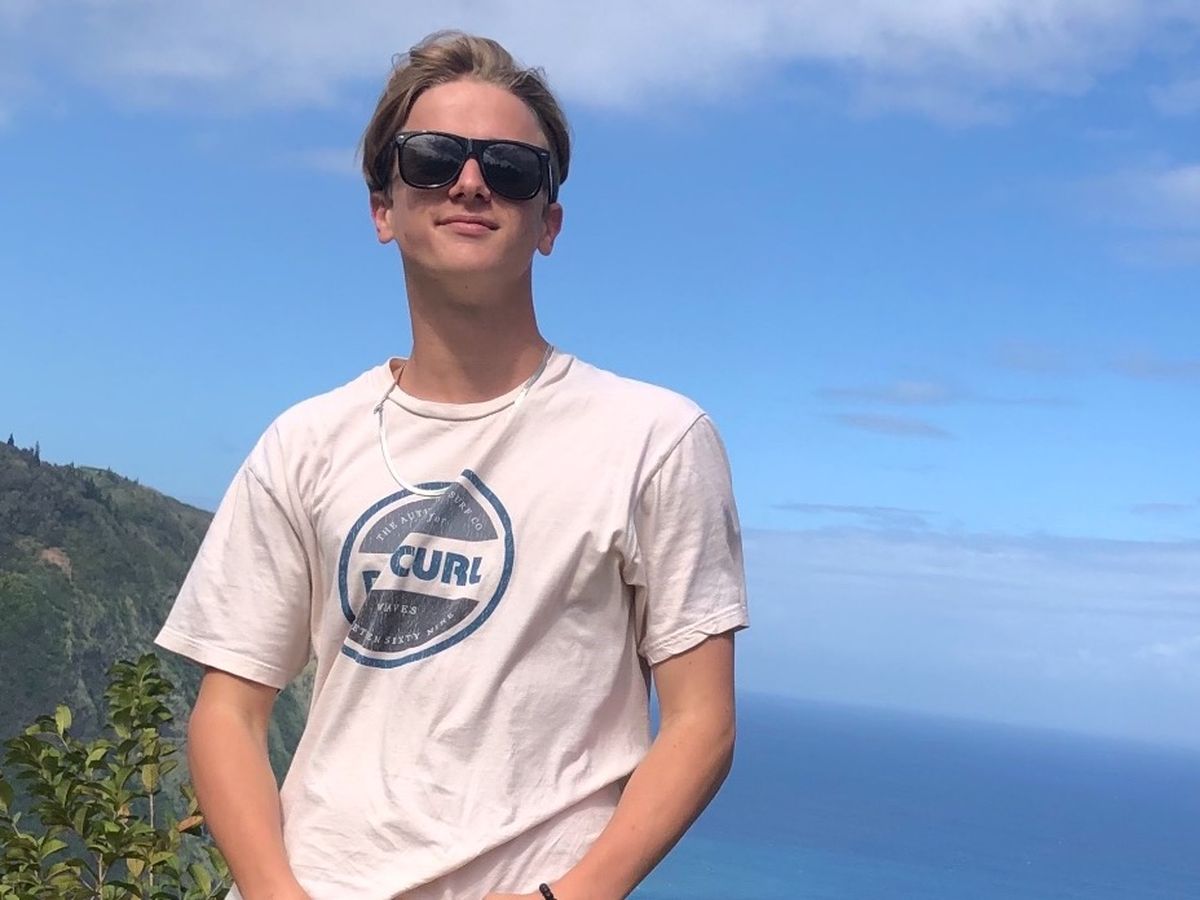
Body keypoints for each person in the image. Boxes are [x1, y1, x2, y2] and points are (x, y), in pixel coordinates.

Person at [154, 29, 749, 900]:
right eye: (432, 158)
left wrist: (572, 896)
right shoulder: (305, 441)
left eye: (510, 168)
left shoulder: (655, 439)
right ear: (383, 207)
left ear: (548, 223)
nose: (470, 182)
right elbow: (230, 710)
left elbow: (702, 721)